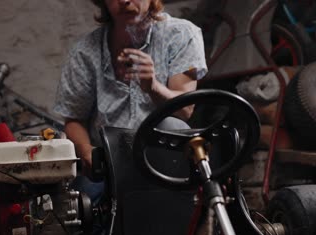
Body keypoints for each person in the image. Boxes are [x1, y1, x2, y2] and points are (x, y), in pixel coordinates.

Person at [53, 0, 208, 202]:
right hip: (108, 163)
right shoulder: (86, 52)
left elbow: (185, 110)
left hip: (164, 157)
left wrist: (153, 86)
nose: (125, 1)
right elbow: (74, 119)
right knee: (80, 209)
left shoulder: (181, 35)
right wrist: (87, 152)